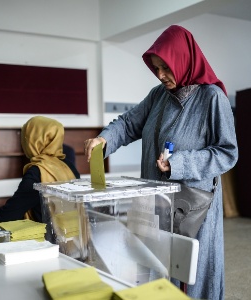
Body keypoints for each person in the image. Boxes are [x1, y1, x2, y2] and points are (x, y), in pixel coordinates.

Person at [84, 25, 238, 300]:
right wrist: (104, 140)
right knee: (154, 266)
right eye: (156, 69)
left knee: (190, 272)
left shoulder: (211, 98)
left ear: (183, 59)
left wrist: (179, 163)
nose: (161, 75)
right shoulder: (159, 95)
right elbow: (129, 123)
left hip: (192, 206)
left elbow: (227, 153)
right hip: (155, 200)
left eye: (166, 68)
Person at [0, 116, 80, 223]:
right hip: (74, 233)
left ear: (33, 141)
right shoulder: (69, 166)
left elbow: (9, 214)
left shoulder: (37, 172)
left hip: (47, 237)